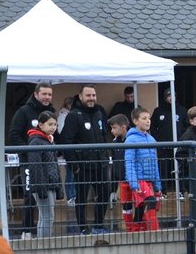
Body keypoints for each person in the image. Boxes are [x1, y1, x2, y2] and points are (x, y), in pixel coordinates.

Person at [59, 84, 112, 235]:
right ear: (81, 96)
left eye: (93, 95)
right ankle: (83, 227)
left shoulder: (100, 112)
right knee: (81, 197)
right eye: (88, 95)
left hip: (100, 163)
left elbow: (103, 135)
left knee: (105, 192)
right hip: (82, 166)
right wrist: (74, 164)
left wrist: (105, 156)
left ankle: (98, 225)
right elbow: (66, 140)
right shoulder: (74, 115)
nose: (91, 98)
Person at [7, 82, 55, 239]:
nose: (47, 97)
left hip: (46, 164)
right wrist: (29, 151)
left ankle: (41, 235)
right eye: (44, 94)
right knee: (29, 195)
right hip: (29, 162)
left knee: (46, 201)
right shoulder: (23, 112)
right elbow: (13, 135)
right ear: (36, 94)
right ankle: (26, 231)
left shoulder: (51, 112)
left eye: (49, 94)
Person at [24, 111, 62, 238]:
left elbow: (54, 164)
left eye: (55, 124)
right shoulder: (36, 142)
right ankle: (44, 244)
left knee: (45, 216)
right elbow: (35, 166)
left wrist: (58, 185)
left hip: (50, 183)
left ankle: (42, 242)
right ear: (40, 125)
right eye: (50, 124)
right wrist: (40, 188)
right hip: (43, 184)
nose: (53, 127)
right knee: (47, 217)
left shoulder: (49, 140)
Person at [126, 107, 162, 231]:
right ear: (136, 121)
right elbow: (129, 163)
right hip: (140, 180)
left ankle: (137, 228)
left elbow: (155, 164)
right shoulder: (131, 140)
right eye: (144, 118)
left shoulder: (152, 139)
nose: (148, 121)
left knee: (141, 208)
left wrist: (158, 186)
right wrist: (134, 183)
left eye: (149, 118)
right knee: (150, 202)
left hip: (150, 180)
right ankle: (154, 230)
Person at [151, 88, 187, 196]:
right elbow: (152, 126)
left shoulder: (182, 110)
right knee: (163, 169)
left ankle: (180, 191)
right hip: (163, 146)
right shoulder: (158, 111)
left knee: (179, 169)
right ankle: (163, 191)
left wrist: (182, 139)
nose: (171, 98)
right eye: (168, 96)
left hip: (178, 146)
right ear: (165, 97)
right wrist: (158, 140)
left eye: (173, 95)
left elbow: (186, 127)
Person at [107, 115, 134, 232]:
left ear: (123, 127)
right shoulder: (115, 142)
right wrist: (113, 188)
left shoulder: (132, 140)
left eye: (114, 128)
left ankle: (138, 226)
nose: (112, 131)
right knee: (126, 205)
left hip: (133, 179)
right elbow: (114, 166)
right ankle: (129, 227)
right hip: (122, 180)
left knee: (138, 204)